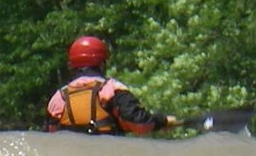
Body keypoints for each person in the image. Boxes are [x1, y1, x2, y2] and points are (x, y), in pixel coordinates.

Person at [46, 35, 181, 135]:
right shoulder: (111, 88)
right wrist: (161, 121)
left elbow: (50, 135)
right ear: (102, 63)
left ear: (72, 65)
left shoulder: (58, 98)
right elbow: (139, 123)